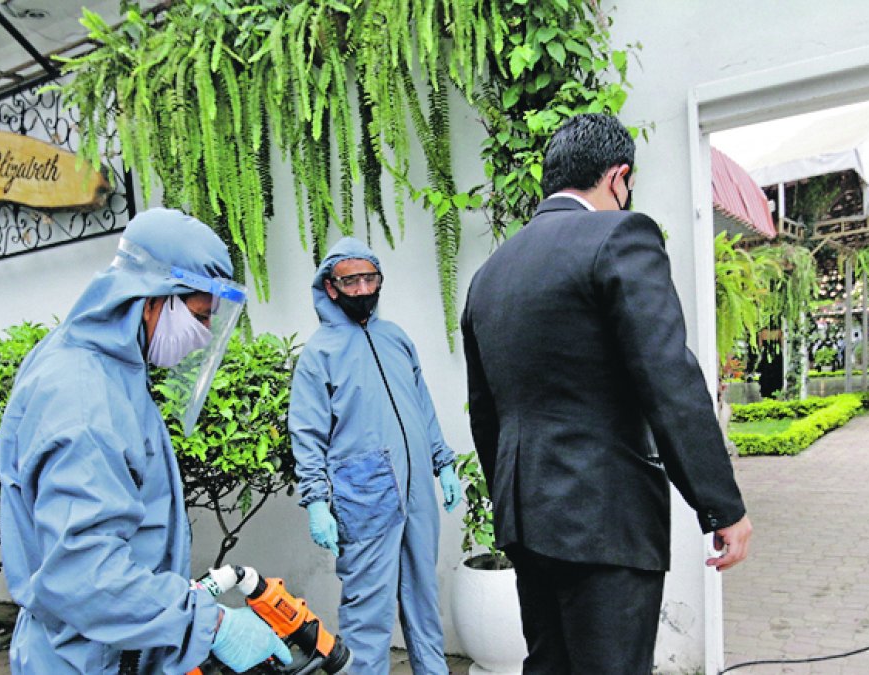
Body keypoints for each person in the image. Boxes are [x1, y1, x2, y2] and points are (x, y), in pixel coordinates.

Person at [460, 113, 752, 675]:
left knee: (550, 666)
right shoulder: (621, 235)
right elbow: (667, 377)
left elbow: (485, 412)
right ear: (619, 177)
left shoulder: (490, 274)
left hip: (525, 516)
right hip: (604, 517)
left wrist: (513, 501)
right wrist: (721, 504)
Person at [0, 208, 292, 674]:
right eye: (198, 317)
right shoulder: (83, 399)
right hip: (88, 658)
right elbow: (83, 573)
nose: (199, 340)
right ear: (150, 297)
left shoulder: (103, 366)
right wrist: (209, 625)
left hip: (108, 647)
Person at [289, 238, 461, 675]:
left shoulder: (396, 339)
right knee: (368, 613)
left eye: (371, 278)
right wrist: (315, 501)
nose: (364, 289)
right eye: (352, 280)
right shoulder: (318, 356)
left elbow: (422, 405)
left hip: (418, 489)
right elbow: (307, 434)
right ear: (331, 287)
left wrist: (442, 463)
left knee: (423, 598)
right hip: (363, 496)